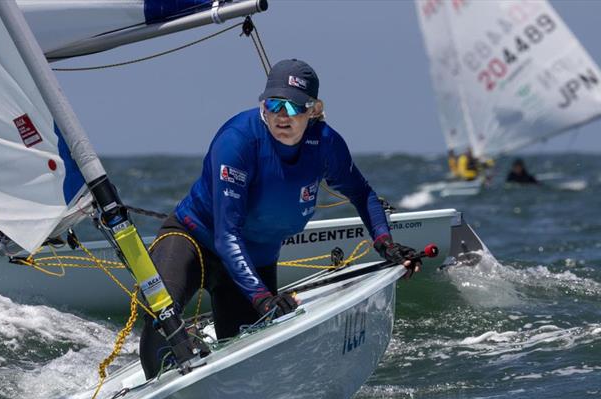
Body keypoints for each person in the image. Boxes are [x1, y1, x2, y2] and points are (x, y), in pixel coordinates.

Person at [138, 59, 421, 379]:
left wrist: (386, 244)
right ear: (263, 106)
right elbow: (227, 234)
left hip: (254, 262)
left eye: (294, 106)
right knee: (162, 312)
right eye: (274, 104)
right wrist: (261, 298)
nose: (283, 115)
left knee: (250, 370)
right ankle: (162, 391)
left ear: (314, 110)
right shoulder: (238, 141)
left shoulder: (326, 145)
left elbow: (363, 194)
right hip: (192, 240)